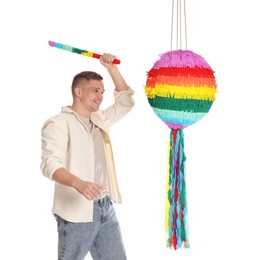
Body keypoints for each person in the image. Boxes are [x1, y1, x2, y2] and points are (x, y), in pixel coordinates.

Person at [40, 53, 135, 260]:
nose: (101, 96)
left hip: (105, 207)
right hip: (75, 213)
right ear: (78, 91)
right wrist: (78, 183)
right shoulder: (58, 123)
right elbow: (49, 164)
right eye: (95, 91)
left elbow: (126, 102)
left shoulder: (101, 119)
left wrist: (112, 69)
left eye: (102, 91)